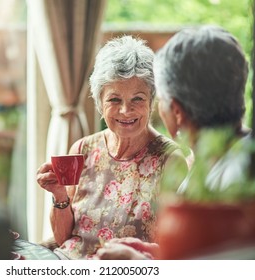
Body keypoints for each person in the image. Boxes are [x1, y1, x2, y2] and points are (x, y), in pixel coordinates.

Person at [96, 25, 251, 259]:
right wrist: (156, 255)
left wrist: (141, 265)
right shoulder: (229, 157)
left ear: (176, 111)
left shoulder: (235, 181)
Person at [36, 35, 188, 259]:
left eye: (137, 99)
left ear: (151, 101)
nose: (126, 111)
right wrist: (59, 194)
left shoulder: (169, 159)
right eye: (114, 100)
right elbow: (62, 238)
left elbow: (175, 251)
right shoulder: (83, 149)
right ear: (99, 103)